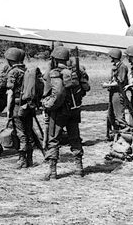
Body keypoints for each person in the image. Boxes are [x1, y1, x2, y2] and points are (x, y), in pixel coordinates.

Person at [41, 46, 85, 180]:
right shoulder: (73, 73)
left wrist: (47, 104)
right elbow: (83, 90)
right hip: (74, 110)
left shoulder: (54, 73)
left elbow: (58, 93)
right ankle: (79, 168)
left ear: (55, 59)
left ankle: (52, 172)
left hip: (59, 112)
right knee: (75, 138)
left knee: (53, 140)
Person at [2, 47, 36, 169]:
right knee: (28, 132)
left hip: (17, 105)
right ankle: (30, 159)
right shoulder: (27, 71)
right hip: (29, 106)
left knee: (20, 133)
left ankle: (22, 160)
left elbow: (10, 93)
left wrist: (8, 110)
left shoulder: (13, 72)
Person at [103, 48, 129, 141]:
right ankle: (115, 135)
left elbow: (120, 82)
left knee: (119, 117)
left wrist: (107, 85)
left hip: (118, 93)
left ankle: (126, 137)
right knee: (111, 116)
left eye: (111, 56)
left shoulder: (122, 67)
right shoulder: (116, 66)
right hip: (113, 93)